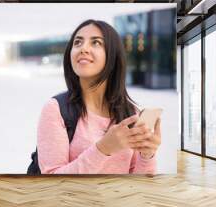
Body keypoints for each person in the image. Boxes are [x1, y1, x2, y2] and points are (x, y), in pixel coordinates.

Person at [37, 19, 161, 174]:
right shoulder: (56, 109)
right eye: (78, 42)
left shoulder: (131, 113)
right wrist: (103, 149)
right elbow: (52, 180)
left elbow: (139, 183)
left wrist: (147, 155)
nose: (83, 49)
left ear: (112, 56)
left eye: (96, 43)